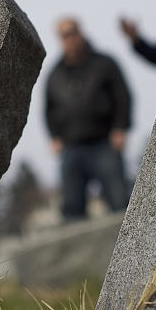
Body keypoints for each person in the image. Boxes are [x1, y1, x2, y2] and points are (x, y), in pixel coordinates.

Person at [45, 17, 132, 220]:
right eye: (64, 35)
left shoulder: (104, 63)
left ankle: (128, 248)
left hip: (104, 142)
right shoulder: (55, 74)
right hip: (72, 147)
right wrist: (54, 136)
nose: (69, 39)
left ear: (80, 33)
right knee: (72, 206)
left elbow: (122, 96)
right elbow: (49, 109)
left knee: (119, 201)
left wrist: (120, 127)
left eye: (72, 33)